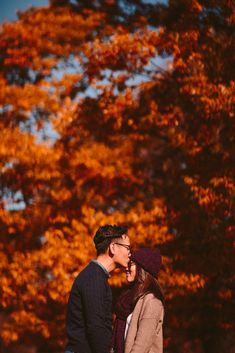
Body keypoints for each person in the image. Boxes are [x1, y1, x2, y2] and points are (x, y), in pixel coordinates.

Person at [65, 224, 131, 353]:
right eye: (128, 248)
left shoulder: (95, 276)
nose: (130, 254)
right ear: (113, 248)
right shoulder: (94, 279)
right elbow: (97, 328)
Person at [111, 248, 165, 353]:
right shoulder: (128, 299)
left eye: (131, 264)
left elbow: (141, 347)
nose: (126, 268)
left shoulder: (152, 302)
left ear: (142, 269)